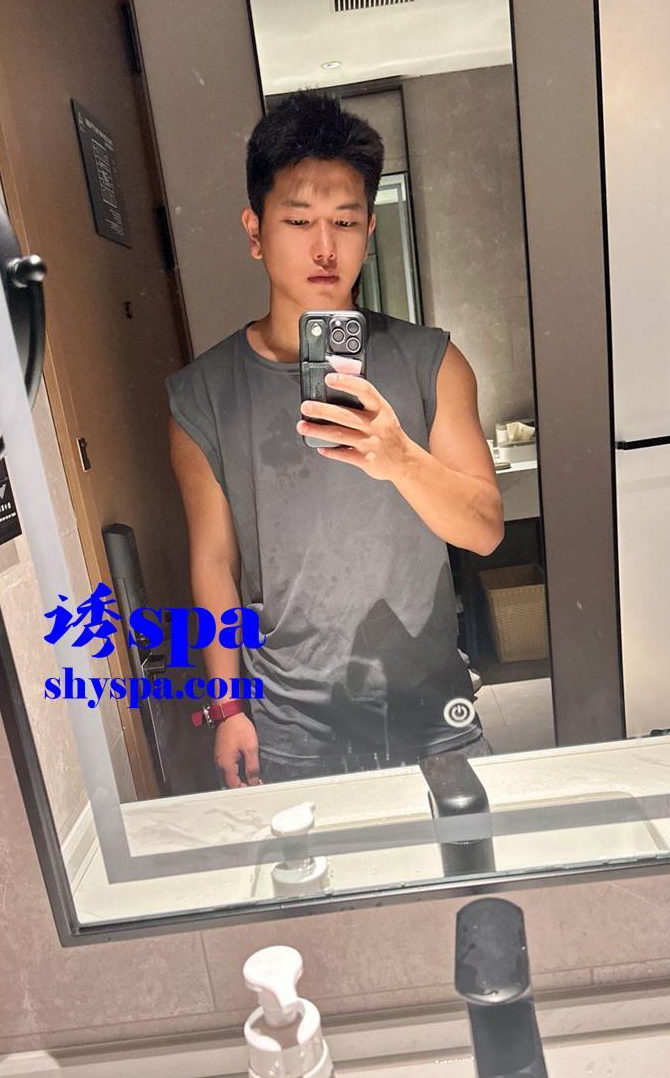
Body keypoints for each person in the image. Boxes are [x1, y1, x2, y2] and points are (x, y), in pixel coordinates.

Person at [166, 90, 503, 787]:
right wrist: (227, 705)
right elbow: (214, 563)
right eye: (298, 221)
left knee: (472, 856)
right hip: (292, 727)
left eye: (345, 222)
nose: (325, 248)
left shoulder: (433, 362)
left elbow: (485, 530)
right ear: (255, 230)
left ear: (369, 230)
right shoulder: (202, 396)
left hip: (432, 711)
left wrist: (400, 459)